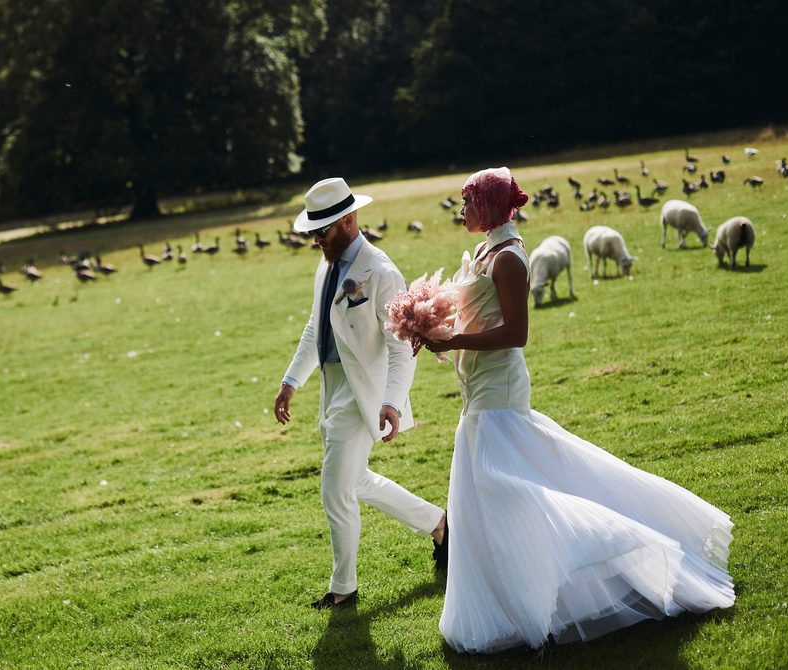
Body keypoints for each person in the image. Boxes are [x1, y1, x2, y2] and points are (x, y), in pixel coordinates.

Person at [425, 167, 734, 652]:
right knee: (488, 487)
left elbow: (517, 333)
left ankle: (604, 544)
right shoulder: (485, 249)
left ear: (485, 207)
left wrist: (453, 337)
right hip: (476, 388)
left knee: (498, 483)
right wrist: (432, 318)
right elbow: (475, 307)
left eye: (467, 202)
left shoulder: (509, 258)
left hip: (498, 390)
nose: (462, 211)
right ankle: (506, 598)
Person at [274, 177, 448, 609]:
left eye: (324, 230)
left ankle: (343, 588)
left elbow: (402, 346)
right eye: (314, 231)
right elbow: (317, 326)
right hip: (332, 388)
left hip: (362, 392)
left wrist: (391, 401)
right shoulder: (326, 264)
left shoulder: (381, 271)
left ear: (349, 220)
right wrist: (291, 381)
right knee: (357, 482)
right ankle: (442, 526)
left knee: (335, 490)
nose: (317, 239)